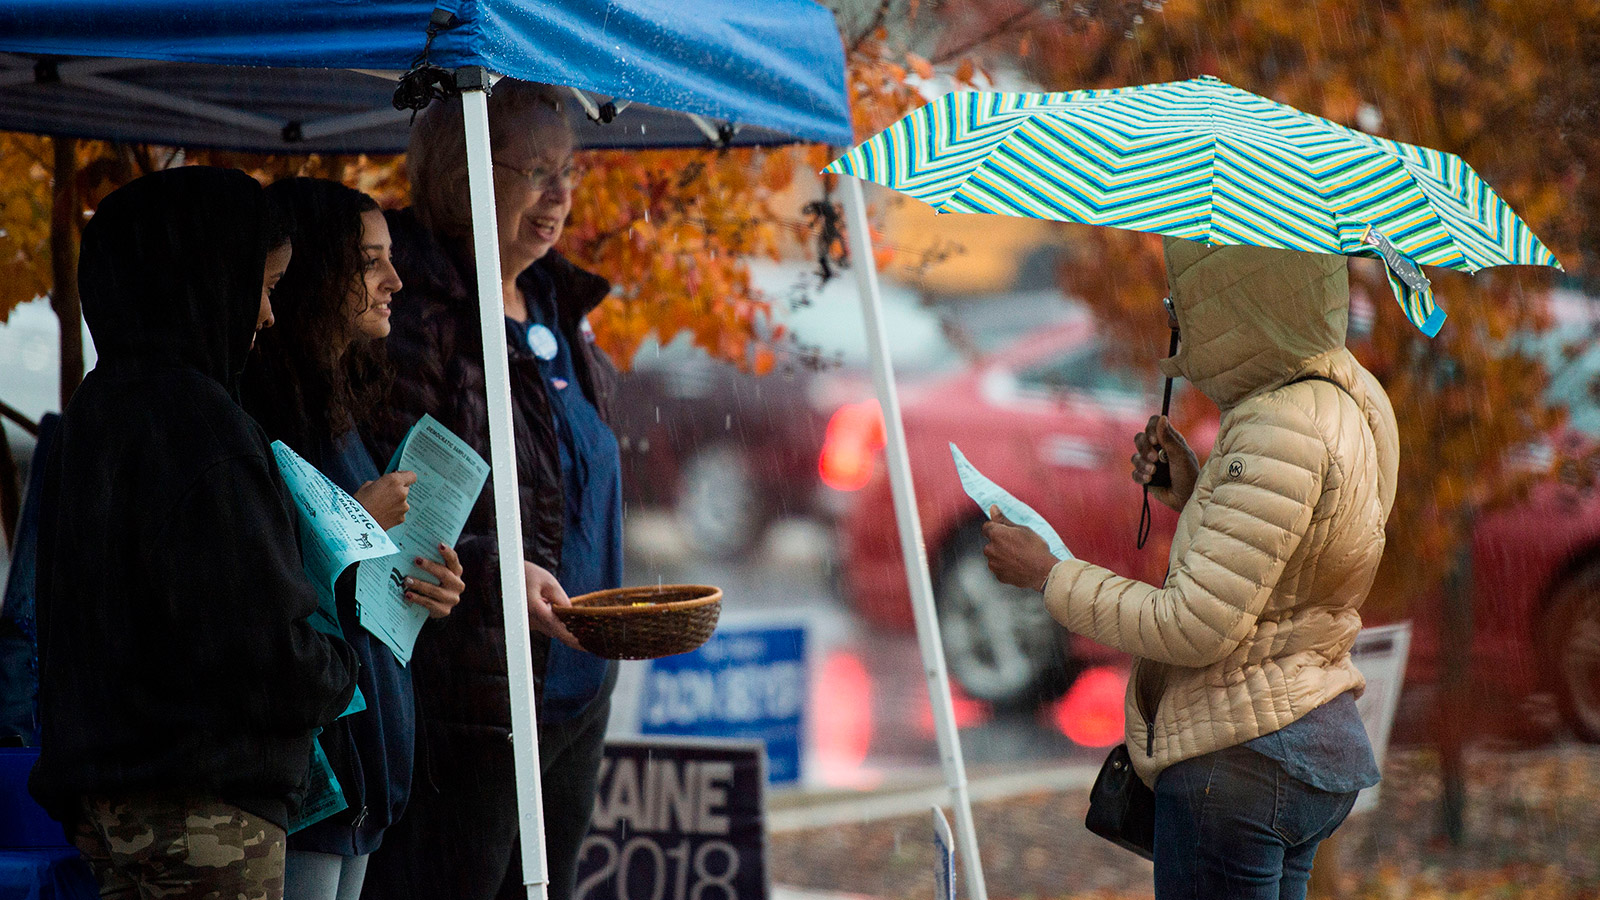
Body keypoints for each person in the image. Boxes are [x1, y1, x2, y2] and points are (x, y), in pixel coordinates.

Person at [983, 237, 1398, 900]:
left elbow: (1194, 626)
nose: (1182, 317)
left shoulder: (1276, 425)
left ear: (1237, 300)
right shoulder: (1346, 398)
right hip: (1310, 732)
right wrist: (1199, 491)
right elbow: (1305, 561)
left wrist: (1048, 575)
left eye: (1192, 301)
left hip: (1245, 756)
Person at [29, 166, 359, 899]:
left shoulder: (98, 409)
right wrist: (339, 666)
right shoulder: (202, 426)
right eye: (264, 286)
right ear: (206, 279)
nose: (268, 316)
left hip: (111, 802)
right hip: (205, 810)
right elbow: (256, 645)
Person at [360, 81, 622, 900]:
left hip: (571, 683)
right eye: (537, 171)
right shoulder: (413, 314)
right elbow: (379, 509)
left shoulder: (551, 298)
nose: (560, 196)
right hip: (471, 697)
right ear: (464, 173)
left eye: (570, 172)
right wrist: (493, 573)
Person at [240, 176, 467, 900]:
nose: (394, 280)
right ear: (313, 272)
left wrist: (428, 585)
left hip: (366, 770)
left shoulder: (343, 398)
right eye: (370, 262)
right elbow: (265, 585)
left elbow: (357, 585)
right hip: (315, 775)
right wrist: (358, 522)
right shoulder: (261, 413)